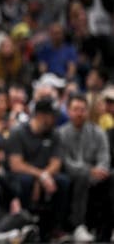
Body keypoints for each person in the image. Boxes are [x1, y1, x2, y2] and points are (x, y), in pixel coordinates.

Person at [4, 97, 70, 241]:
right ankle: (24, 226)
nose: (55, 120)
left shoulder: (55, 134)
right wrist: (40, 176)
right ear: (41, 116)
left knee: (63, 181)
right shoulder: (18, 132)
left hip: (46, 175)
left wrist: (44, 176)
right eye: (52, 116)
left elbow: (56, 162)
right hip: (23, 174)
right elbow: (16, 164)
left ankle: (56, 227)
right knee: (24, 181)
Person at [58, 93, 112, 242]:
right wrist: (88, 170)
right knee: (80, 177)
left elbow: (104, 157)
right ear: (68, 111)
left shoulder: (98, 132)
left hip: (96, 175)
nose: (79, 113)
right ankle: (78, 226)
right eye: (75, 109)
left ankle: (108, 229)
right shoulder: (61, 134)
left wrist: (100, 170)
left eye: (82, 110)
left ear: (87, 111)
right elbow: (65, 162)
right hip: (73, 175)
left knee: (111, 178)